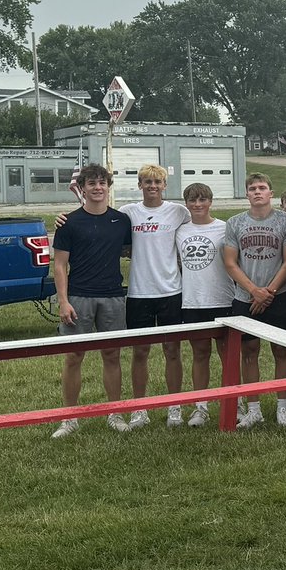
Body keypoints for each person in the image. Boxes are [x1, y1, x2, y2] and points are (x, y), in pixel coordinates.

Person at [50, 164, 134, 439]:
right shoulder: (69, 222)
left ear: (109, 187)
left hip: (112, 296)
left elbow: (130, 252)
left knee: (112, 355)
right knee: (74, 357)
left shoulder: (121, 221)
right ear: (82, 188)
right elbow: (60, 265)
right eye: (92, 184)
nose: (98, 188)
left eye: (102, 183)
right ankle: (69, 418)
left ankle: (115, 413)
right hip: (79, 297)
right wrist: (63, 301)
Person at [222, 173, 286, 429]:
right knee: (249, 352)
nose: (257, 192)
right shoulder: (234, 223)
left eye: (262, 188)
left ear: (270, 193)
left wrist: (268, 292)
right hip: (245, 297)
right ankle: (254, 409)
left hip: (277, 296)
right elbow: (231, 263)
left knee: (281, 352)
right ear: (247, 194)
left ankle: (282, 407)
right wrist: (254, 291)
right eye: (252, 188)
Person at [119, 164, 190, 429]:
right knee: (140, 352)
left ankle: (174, 407)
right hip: (139, 293)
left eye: (157, 182)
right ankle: (140, 409)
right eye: (147, 182)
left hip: (171, 291)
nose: (152, 186)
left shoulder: (178, 212)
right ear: (139, 185)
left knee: (172, 350)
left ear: (164, 185)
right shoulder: (128, 213)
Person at [175, 182, 236, 428]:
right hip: (193, 301)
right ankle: (201, 406)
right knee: (200, 355)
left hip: (223, 299)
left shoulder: (224, 228)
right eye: (192, 200)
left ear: (210, 201)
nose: (198, 205)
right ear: (186, 204)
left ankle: (234, 401)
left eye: (202, 200)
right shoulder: (180, 231)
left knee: (228, 356)